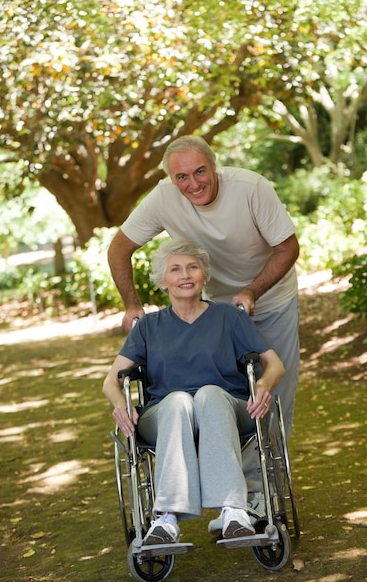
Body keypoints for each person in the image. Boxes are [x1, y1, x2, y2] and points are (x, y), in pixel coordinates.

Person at [107, 134, 299, 526]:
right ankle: (186, 507)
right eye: (182, 177)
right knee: (193, 398)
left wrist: (250, 292)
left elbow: (287, 247)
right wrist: (131, 304)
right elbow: (119, 247)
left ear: (215, 167)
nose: (193, 183)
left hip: (268, 296)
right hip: (213, 303)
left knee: (268, 393)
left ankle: (254, 497)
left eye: (200, 172)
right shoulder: (163, 199)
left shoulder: (251, 188)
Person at [103, 239, 285, 545]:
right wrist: (121, 404)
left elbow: (275, 365)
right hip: (165, 415)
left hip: (227, 407)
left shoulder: (229, 317)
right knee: (178, 401)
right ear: (163, 281)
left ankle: (233, 511)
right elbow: (111, 380)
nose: (185, 275)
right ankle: (167, 518)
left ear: (204, 276)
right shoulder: (148, 326)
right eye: (175, 269)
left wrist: (263, 386)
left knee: (209, 394)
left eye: (192, 267)